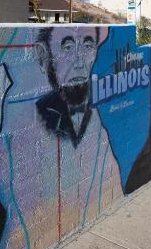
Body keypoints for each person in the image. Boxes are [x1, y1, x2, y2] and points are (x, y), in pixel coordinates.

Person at [35, 26, 122, 234]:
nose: (80, 62)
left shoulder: (101, 110)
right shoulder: (39, 115)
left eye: (88, 46)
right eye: (67, 48)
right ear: (43, 58)